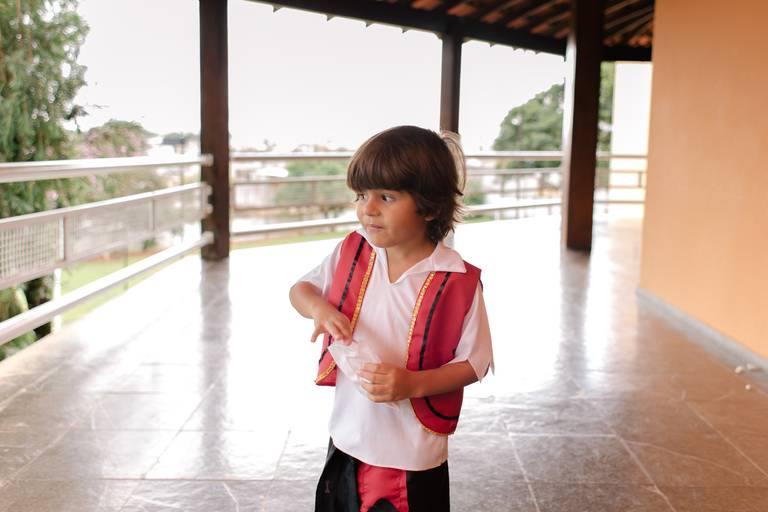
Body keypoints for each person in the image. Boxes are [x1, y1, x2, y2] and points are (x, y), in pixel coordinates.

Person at [289, 125, 493, 512]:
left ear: (429, 206)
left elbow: (475, 363)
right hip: (347, 438)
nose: (368, 208)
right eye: (361, 195)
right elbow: (301, 290)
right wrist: (320, 309)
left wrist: (414, 384)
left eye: (386, 196)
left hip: (409, 456)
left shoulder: (457, 280)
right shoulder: (352, 252)